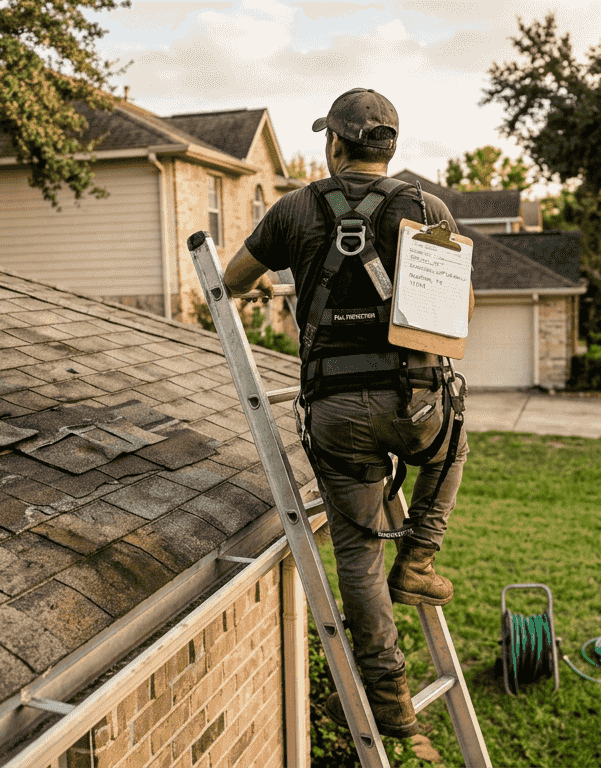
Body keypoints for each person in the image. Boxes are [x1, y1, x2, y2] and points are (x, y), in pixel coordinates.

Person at [224, 88, 471, 739]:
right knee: (452, 446)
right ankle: (419, 560)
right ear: (391, 146)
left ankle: (388, 697)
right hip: (416, 407)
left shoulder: (295, 209)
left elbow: (230, 279)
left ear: (335, 144)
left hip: (335, 414)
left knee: (357, 551)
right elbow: (458, 312)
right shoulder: (427, 208)